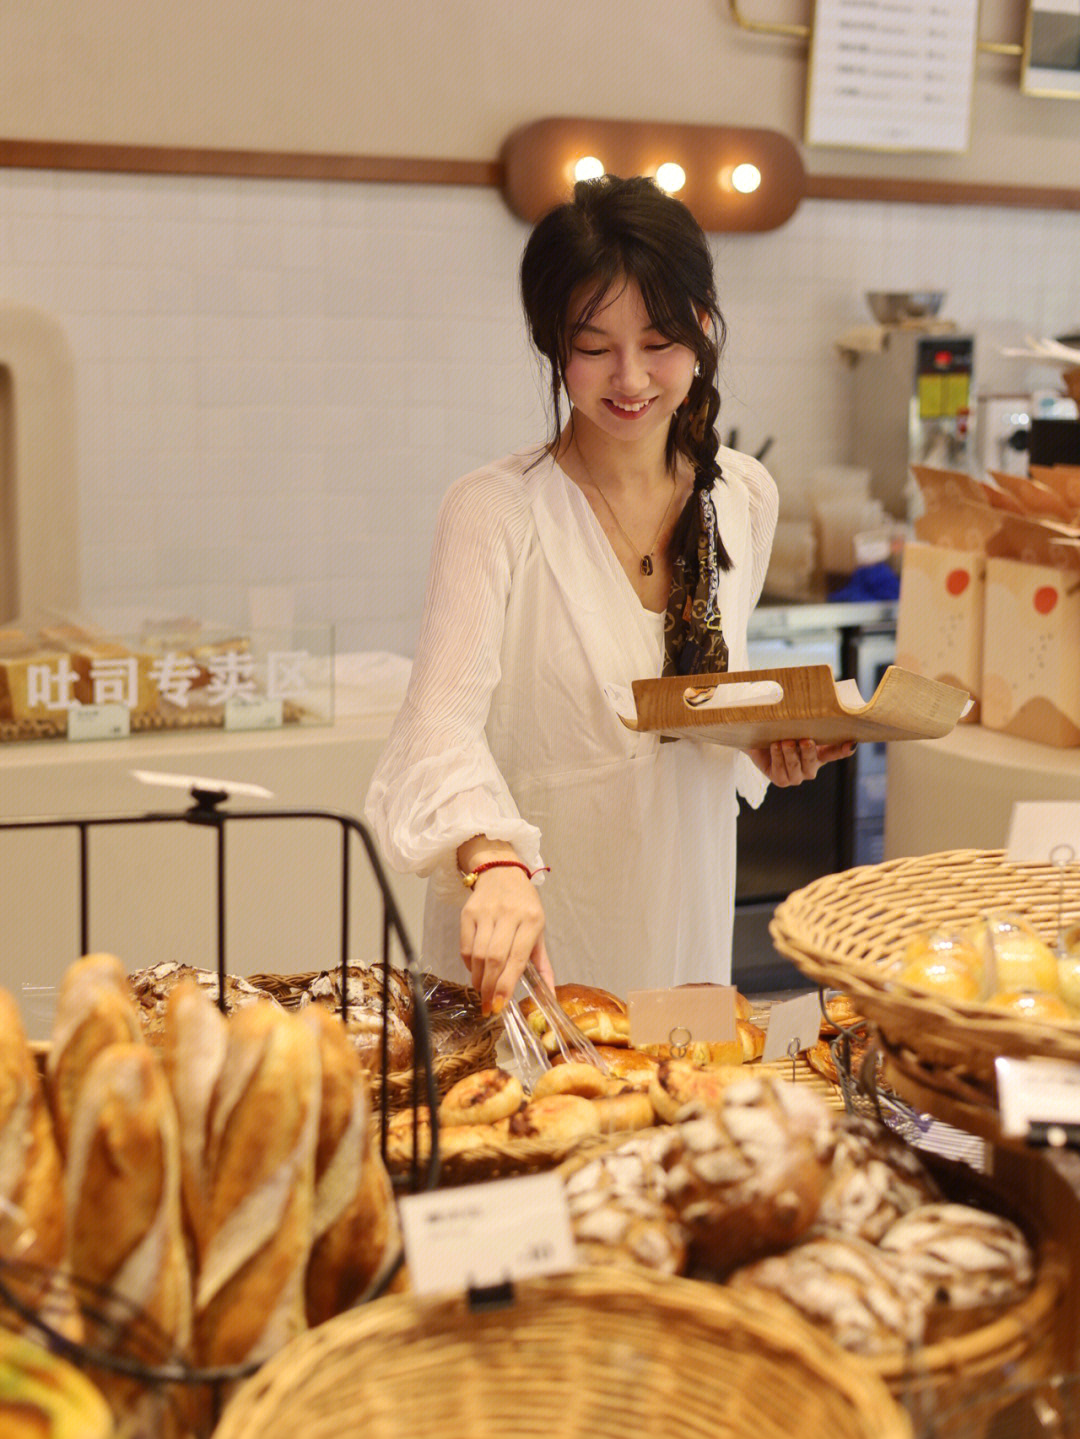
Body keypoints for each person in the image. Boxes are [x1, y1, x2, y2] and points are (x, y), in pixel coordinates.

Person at [365, 174, 852, 1016]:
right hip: (533, 930)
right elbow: (438, 728)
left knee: (678, 1121)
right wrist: (497, 862)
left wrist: (761, 739)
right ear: (555, 346)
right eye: (594, 347)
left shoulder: (743, 495)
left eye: (659, 339)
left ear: (704, 327)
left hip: (684, 912)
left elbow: (690, 711)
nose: (630, 377)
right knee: (531, 1130)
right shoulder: (494, 510)